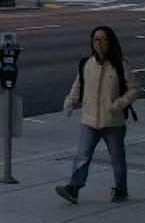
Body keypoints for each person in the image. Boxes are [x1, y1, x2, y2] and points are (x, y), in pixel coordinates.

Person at [56, 24, 136, 203]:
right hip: (89, 121)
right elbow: (78, 86)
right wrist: (70, 102)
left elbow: (133, 90)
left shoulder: (120, 66)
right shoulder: (86, 64)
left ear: (110, 42)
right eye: (96, 40)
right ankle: (73, 188)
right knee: (82, 156)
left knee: (117, 160)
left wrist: (119, 104)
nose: (99, 43)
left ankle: (121, 190)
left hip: (113, 122)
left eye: (103, 40)